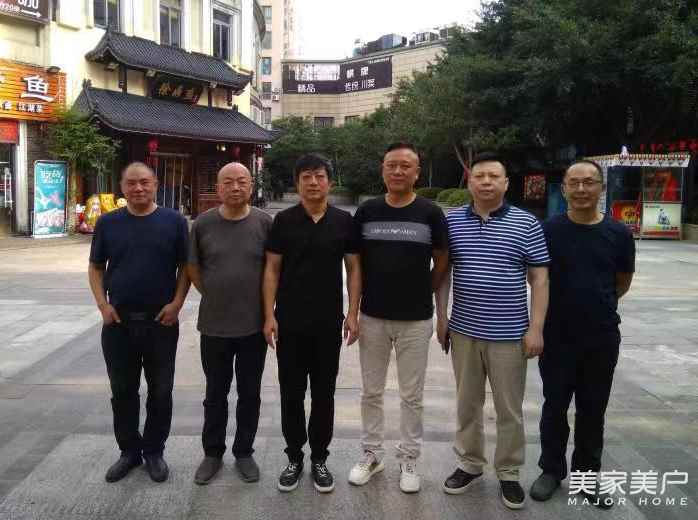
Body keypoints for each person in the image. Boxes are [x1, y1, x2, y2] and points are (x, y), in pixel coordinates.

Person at [435, 152, 550, 509]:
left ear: (506, 183)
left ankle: (509, 472)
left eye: (493, 176)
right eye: (479, 176)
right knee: (467, 403)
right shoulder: (452, 221)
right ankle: (469, 464)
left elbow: (540, 278)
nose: (486, 182)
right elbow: (444, 273)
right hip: (464, 331)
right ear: (469, 182)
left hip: (510, 334)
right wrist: (441, 317)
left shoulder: (527, 223)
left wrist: (536, 328)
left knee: (509, 408)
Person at [529, 160, 634, 508]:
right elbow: (537, 279)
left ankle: (587, 477)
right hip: (557, 335)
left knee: (593, 409)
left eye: (589, 182)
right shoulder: (548, 230)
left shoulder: (619, 233)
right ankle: (551, 470)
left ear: (601, 187)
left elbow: (622, 281)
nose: (581, 189)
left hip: (601, 337)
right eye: (574, 183)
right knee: (554, 406)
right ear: (564, 189)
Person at [348, 142, 449, 494]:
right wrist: (353, 312)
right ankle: (372, 454)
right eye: (391, 165)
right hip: (373, 316)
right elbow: (354, 265)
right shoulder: (367, 211)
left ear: (417, 172)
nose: (398, 171)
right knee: (371, 392)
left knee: (412, 395)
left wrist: (426, 293)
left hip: (416, 319)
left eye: (406, 166)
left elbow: (442, 260)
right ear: (383, 170)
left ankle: (409, 458)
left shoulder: (430, 212)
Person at [263, 153, 361, 493]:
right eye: (307, 177)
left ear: (329, 182)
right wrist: (268, 315)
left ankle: (320, 457)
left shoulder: (343, 221)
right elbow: (271, 270)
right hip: (289, 323)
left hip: (328, 324)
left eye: (320, 176)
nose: (314, 182)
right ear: (298, 183)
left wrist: (353, 313)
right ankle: (294, 457)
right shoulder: (283, 221)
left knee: (324, 394)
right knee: (291, 393)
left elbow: (354, 270)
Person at [88, 162, 189, 483]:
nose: (138, 188)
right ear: (122, 186)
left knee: (161, 390)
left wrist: (177, 303)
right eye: (131, 183)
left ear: (156, 184)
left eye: (144, 182)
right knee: (122, 391)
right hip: (118, 323)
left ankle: (154, 451)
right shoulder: (108, 223)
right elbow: (96, 267)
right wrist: (102, 305)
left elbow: (186, 267)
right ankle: (129, 451)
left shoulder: (174, 222)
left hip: (161, 323)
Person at [188, 162, 272, 485]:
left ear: (251, 185)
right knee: (215, 393)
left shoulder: (265, 223)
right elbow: (193, 268)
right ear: (218, 187)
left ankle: (244, 452)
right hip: (214, 326)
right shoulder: (203, 224)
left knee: (250, 393)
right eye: (228, 182)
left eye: (242, 181)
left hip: (254, 327)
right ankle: (212, 453)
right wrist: (215, 292)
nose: (235, 187)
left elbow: (274, 270)